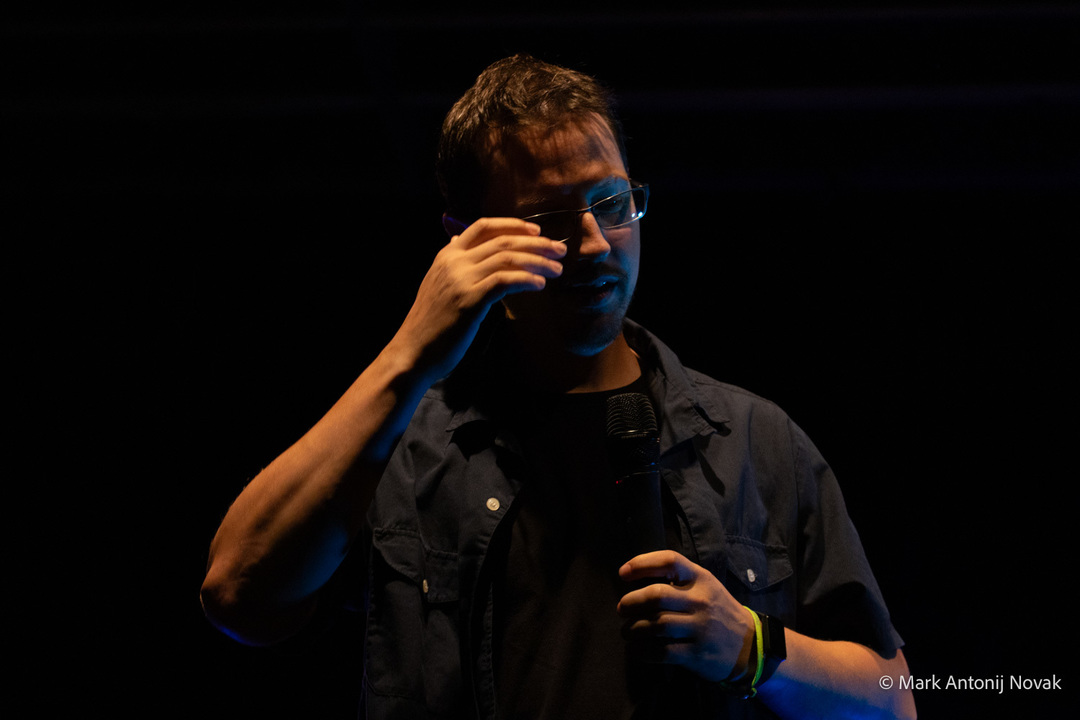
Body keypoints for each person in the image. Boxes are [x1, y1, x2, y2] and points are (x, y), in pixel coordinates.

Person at [200, 54, 916, 719]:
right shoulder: (406, 449)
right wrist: (410, 354)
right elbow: (236, 593)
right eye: (549, 220)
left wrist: (753, 648)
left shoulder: (756, 441)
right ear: (466, 239)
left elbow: (894, 698)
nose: (596, 243)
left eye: (612, 203)